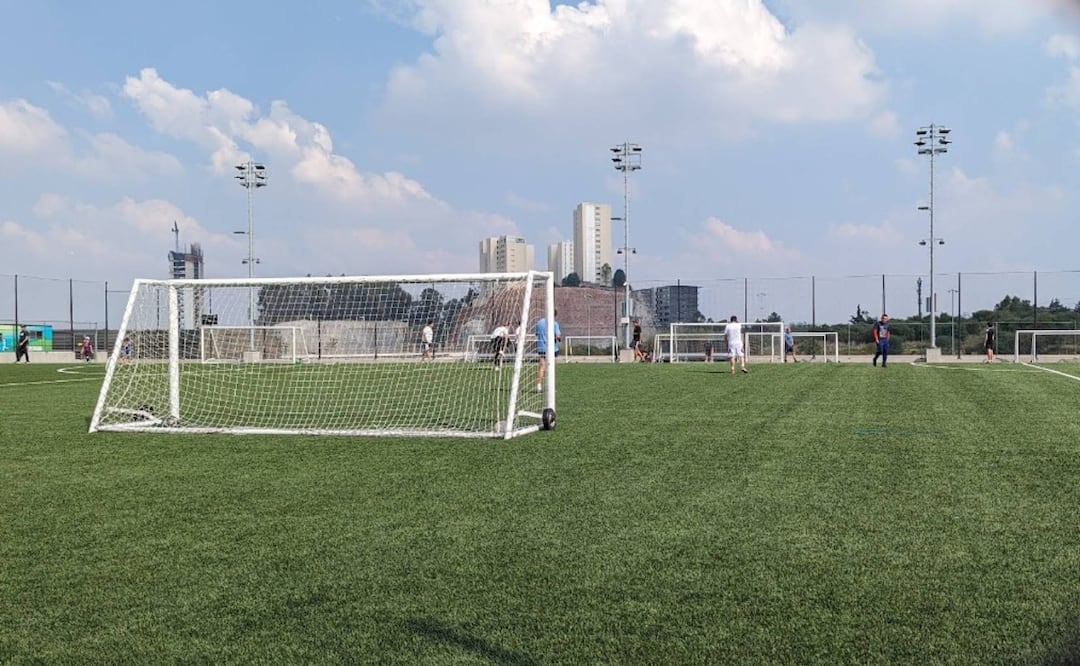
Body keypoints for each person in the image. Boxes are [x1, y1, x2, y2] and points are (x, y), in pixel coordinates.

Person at [535, 309, 561, 392]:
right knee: (552, 367)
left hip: (541, 347)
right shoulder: (555, 323)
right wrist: (559, 338)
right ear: (554, 315)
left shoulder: (539, 322)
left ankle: (539, 386)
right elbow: (558, 336)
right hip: (552, 348)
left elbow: (536, 334)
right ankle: (550, 386)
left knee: (542, 366)